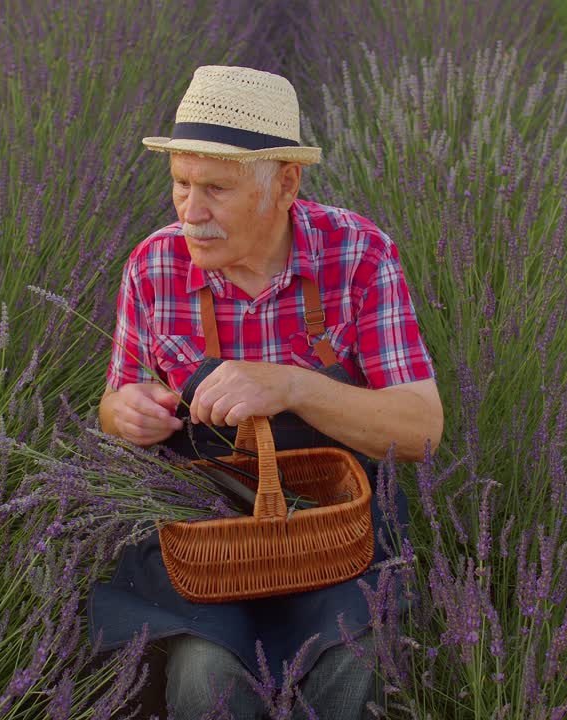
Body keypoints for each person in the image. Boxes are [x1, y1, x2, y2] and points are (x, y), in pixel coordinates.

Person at [89, 65, 443, 719]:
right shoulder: (153, 266)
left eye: (216, 190)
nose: (191, 212)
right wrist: (125, 413)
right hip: (206, 547)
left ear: (285, 185)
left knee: (351, 666)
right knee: (203, 676)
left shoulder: (359, 256)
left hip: (334, 540)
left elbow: (421, 429)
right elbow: (115, 401)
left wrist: (293, 385)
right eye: (181, 184)